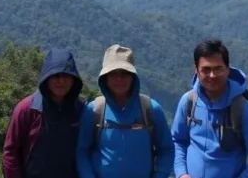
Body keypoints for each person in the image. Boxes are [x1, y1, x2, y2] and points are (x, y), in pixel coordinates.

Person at [171, 39, 248, 178]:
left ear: (228, 70)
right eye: (206, 69)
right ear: (196, 70)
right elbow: (178, 141)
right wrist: (181, 173)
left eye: (218, 69)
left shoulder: (244, 110)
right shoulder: (188, 102)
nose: (212, 75)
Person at [75, 44, 174, 178]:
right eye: (113, 74)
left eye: (124, 73)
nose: (119, 79)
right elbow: (82, 152)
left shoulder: (150, 109)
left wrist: (160, 175)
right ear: (105, 77)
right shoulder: (94, 110)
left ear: (133, 77)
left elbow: (166, 150)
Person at [3, 48, 85, 178]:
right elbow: (10, 152)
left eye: (66, 76)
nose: (61, 81)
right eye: (56, 76)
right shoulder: (27, 109)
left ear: (73, 79)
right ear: (47, 78)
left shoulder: (80, 109)